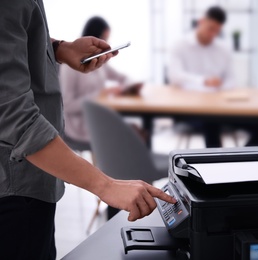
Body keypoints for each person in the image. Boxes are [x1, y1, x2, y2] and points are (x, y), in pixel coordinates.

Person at [0, 1, 175, 259]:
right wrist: (106, 185)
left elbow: (13, 36)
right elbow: (13, 118)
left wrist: (59, 48)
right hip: (16, 185)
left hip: (34, 177)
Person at [168, 6, 258, 148]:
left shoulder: (224, 48)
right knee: (211, 121)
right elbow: (175, 76)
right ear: (201, 22)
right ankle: (217, 166)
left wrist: (220, 86)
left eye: (217, 31)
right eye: (210, 28)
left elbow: (232, 80)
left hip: (220, 107)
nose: (212, 34)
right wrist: (203, 81)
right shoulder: (180, 45)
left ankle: (240, 160)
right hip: (190, 109)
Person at [60, 16, 135, 144]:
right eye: (104, 39)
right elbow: (67, 105)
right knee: (130, 135)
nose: (106, 44)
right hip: (79, 126)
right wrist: (100, 95)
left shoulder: (99, 61)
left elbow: (123, 78)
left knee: (134, 131)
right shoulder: (70, 66)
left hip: (99, 118)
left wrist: (128, 87)